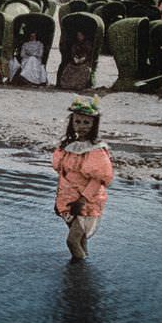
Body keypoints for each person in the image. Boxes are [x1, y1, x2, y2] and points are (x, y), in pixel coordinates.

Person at [52, 97, 114, 262]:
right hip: (67, 197)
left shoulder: (95, 150)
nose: (82, 126)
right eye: (78, 122)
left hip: (86, 200)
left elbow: (98, 180)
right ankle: (84, 267)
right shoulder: (67, 146)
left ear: (94, 124)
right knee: (80, 239)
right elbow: (62, 174)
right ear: (72, 123)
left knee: (72, 241)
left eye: (87, 123)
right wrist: (58, 200)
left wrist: (82, 200)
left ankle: (78, 275)